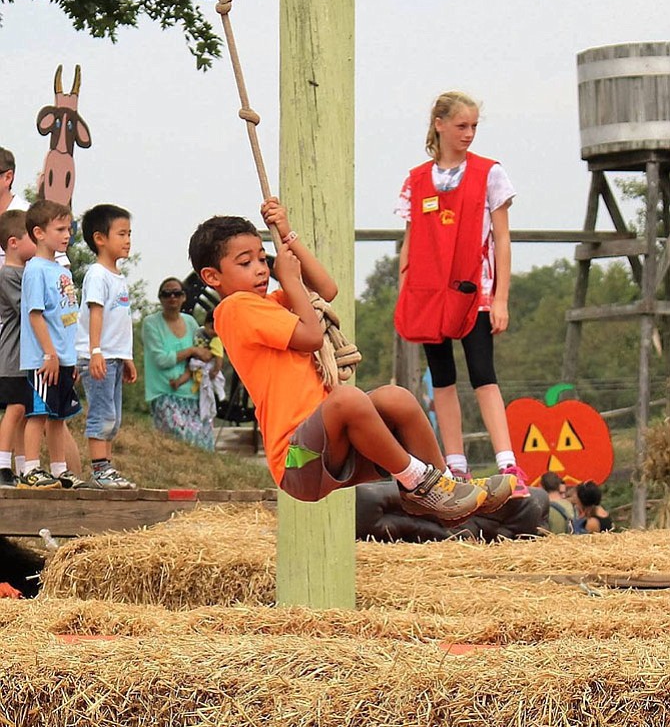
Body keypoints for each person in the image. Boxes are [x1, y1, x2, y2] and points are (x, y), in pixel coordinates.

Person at [187, 199, 517, 523]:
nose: (261, 268)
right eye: (245, 263)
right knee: (346, 398)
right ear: (212, 277)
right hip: (296, 458)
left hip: (327, 445)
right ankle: (418, 481)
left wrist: (289, 237)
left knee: (396, 398)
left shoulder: (270, 302)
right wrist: (288, 279)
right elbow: (312, 337)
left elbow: (326, 289)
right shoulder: (235, 309)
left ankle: (443, 485)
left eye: (262, 258)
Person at [394, 90, 529, 497]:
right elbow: (411, 239)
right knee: (442, 377)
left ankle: (508, 463)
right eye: (461, 126)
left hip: (476, 290)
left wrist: (501, 297)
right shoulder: (416, 180)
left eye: (473, 126)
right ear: (440, 124)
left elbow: (503, 239)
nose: (469, 133)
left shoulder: (489, 173)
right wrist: (406, 295)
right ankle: (455, 466)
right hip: (429, 291)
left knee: (483, 374)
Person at [17, 199, 84, 488]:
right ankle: (30, 468)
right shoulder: (35, 270)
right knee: (39, 413)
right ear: (39, 233)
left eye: (69, 228)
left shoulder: (64, 271)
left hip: (65, 357)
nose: (67, 234)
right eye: (60, 229)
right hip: (45, 358)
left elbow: (69, 319)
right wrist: (50, 354)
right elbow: (35, 315)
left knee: (60, 416)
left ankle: (60, 470)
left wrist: (72, 357)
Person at [75, 204, 137, 488]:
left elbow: (120, 323)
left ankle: (107, 469)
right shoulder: (97, 275)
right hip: (98, 356)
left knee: (114, 417)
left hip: (114, 357)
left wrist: (127, 358)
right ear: (100, 238)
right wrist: (95, 351)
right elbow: (95, 313)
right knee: (102, 413)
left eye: (129, 234)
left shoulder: (118, 277)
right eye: (121, 234)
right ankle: (99, 470)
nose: (127, 240)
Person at [141, 277, 214, 450]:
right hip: (164, 392)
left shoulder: (190, 322)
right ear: (160, 298)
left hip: (192, 394)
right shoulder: (151, 324)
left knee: (202, 445)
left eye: (177, 293)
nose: (172, 297)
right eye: (167, 294)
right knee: (178, 441)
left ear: (184, 297)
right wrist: (191, 351)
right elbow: (161, 360)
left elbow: (201, 355)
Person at [0, 210, 36, 485]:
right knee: (15, 410)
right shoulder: (9, 275)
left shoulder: (25, 272)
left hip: (27, 356)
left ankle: (25, 469)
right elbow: (27, 309)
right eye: (31, 236)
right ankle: (2, 466)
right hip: (13, 355)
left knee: (25, 410)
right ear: (14, 242)